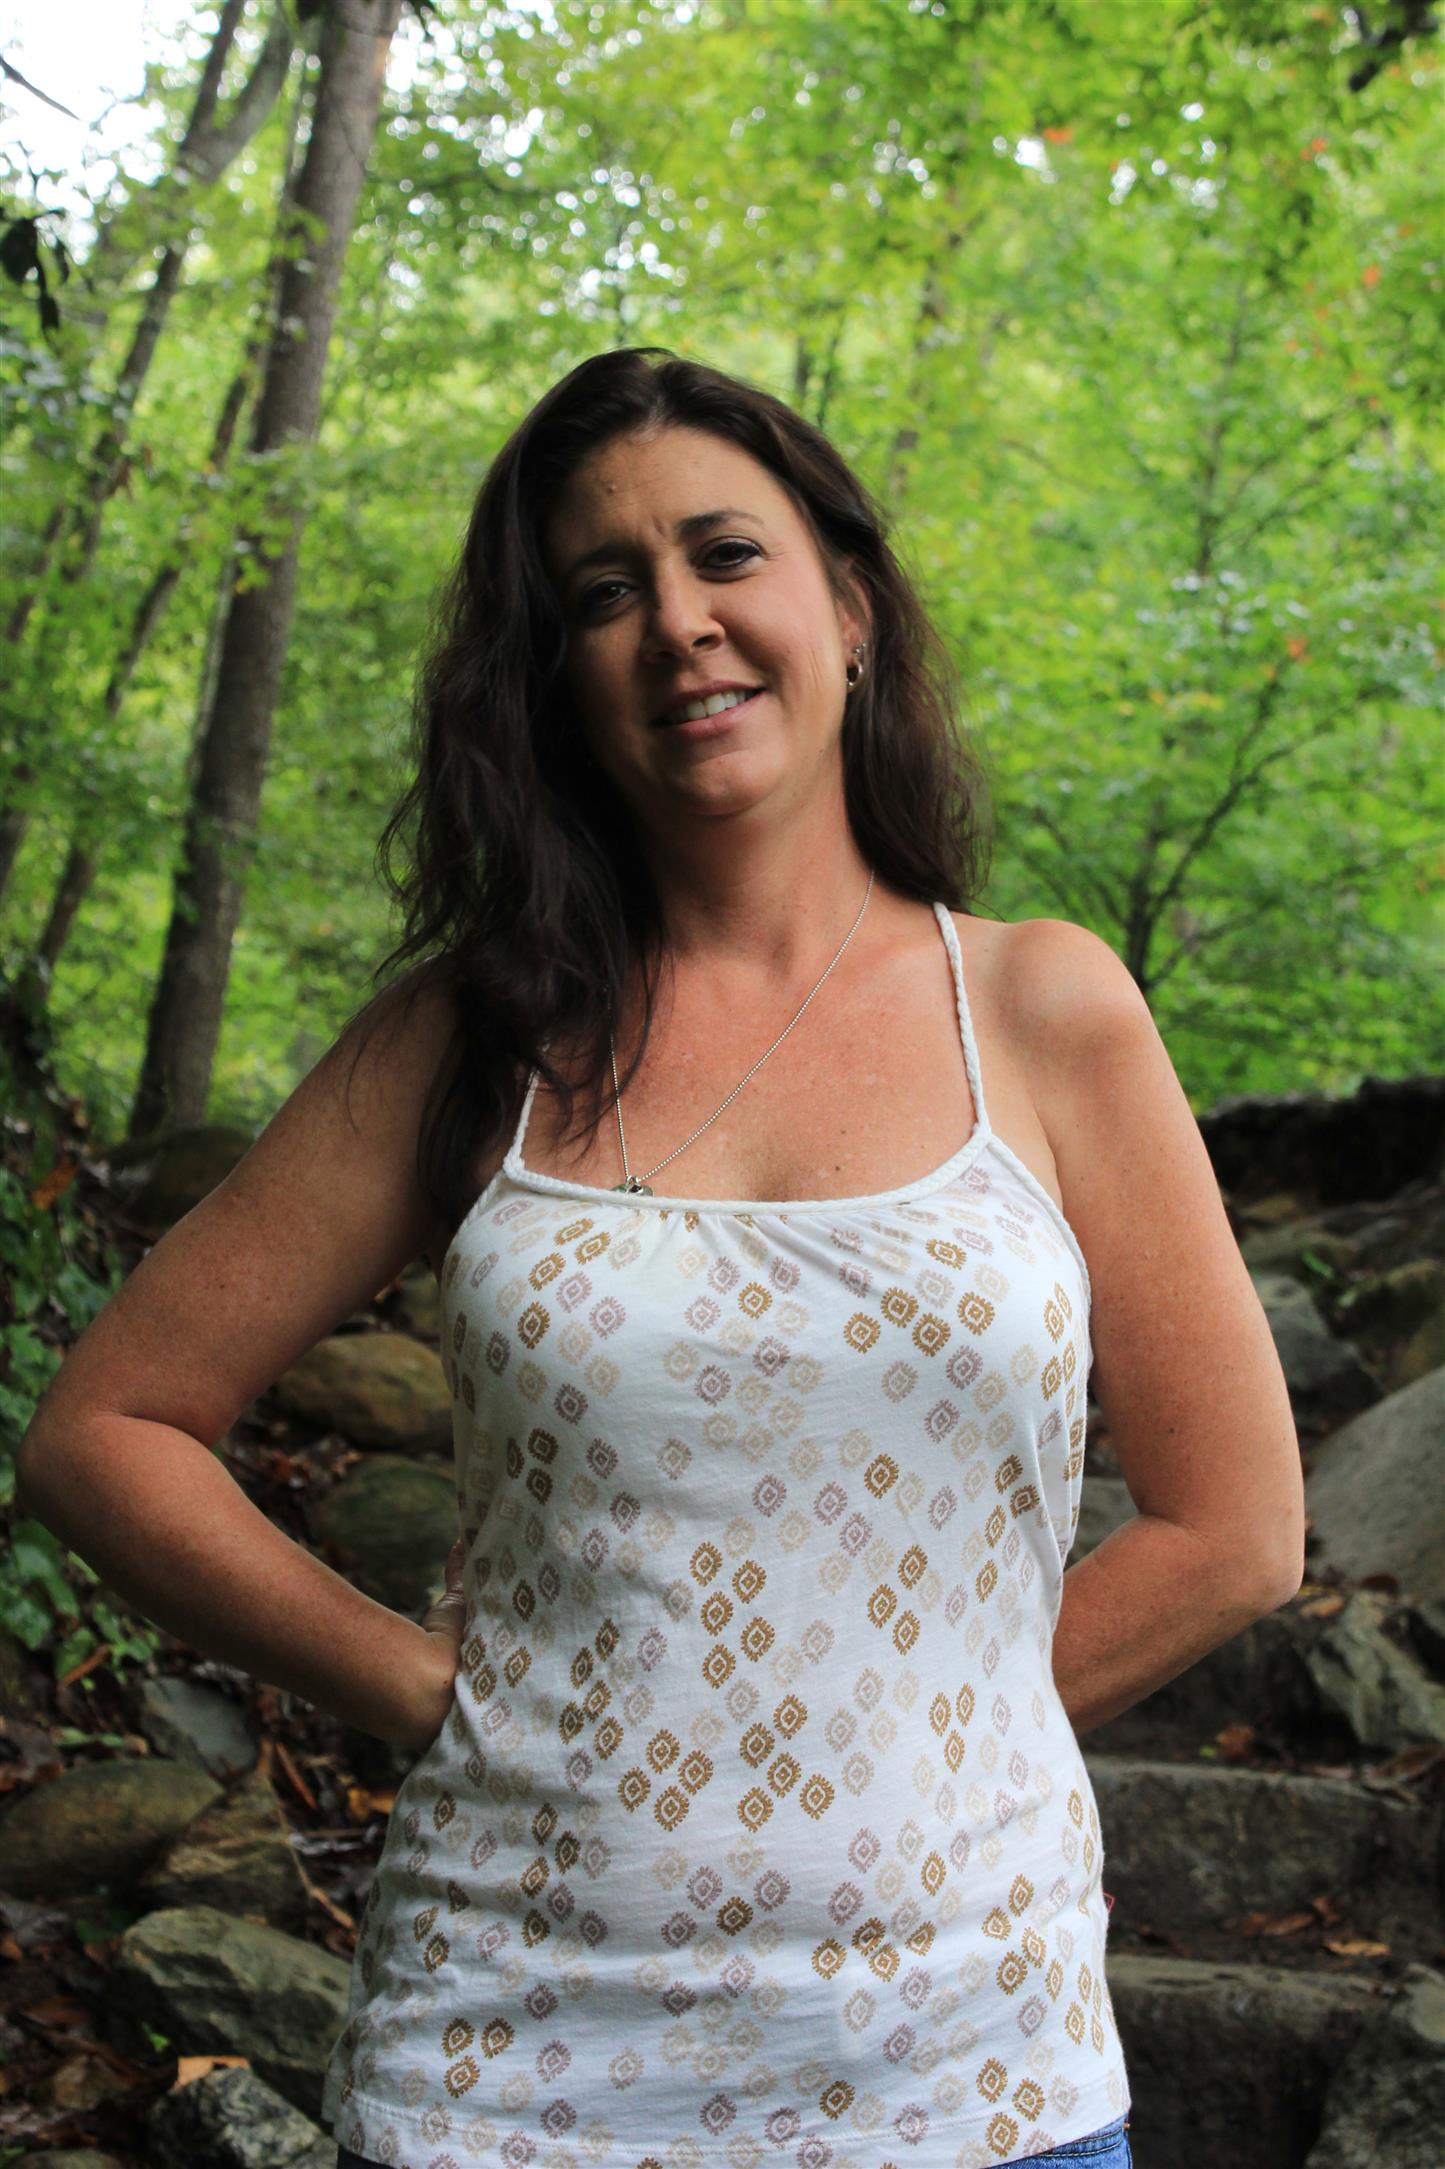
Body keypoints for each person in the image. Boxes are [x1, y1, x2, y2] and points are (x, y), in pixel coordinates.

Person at [16, 347, 1305, 2169]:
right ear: (553, 678)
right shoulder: (469, 1039)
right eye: (603, 591)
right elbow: (107, 1429)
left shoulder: (1039, 1006)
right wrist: (411, 1683)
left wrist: (937, 1746)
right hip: (506, 2073)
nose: (677, 621)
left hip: (974, 2076)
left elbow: (1234, 1527)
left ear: (847, 608)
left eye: (725, 554)